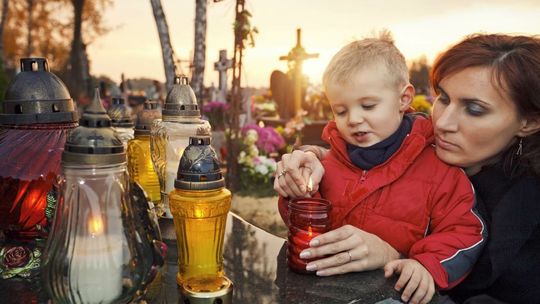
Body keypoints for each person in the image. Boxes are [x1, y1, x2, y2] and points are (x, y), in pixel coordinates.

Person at [274, 33, 540, 304]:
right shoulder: (412, 148)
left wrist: (401, 260)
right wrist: (306, 169)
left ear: (528, 121)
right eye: (444, 98)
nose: (444, 122)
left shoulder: (524, 210)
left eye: (474, 109)